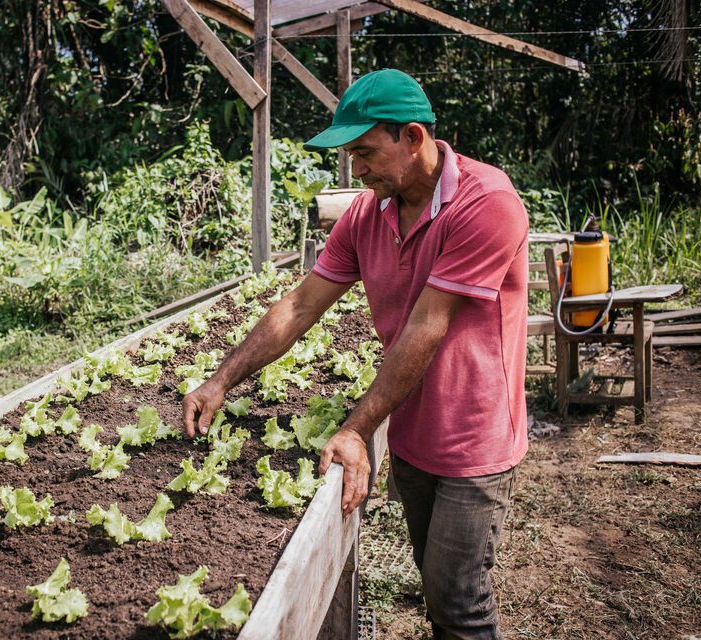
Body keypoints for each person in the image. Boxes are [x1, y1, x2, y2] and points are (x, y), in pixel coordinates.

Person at [182, 68, 528, 639]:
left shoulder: (486, 204)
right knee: (435, 589)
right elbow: (299, 306)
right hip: (412, 431)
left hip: (475, 439)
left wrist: (356, 427)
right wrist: (221, 380)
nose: (356, 169)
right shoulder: (368, 215)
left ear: (413, 138)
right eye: (351, 156)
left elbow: (426, 325)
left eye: (365, 152)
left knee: (460, 605)